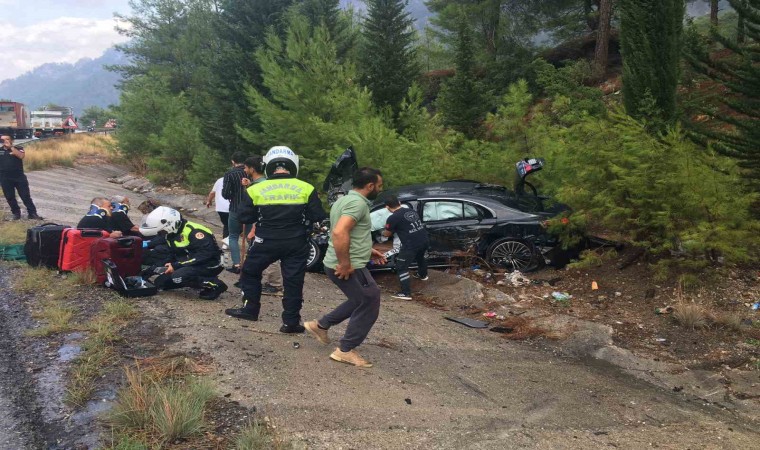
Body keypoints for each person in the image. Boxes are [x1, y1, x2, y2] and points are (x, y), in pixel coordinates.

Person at [225, 146, 327, 334]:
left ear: (267, 166)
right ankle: (290, 322)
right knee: (293, 281)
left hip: (266, 241)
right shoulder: (306, 187)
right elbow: (317, 215)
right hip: (296, 243)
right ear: (293, 165)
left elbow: (244, 217)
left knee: (250, 272)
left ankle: (250, 309)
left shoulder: (257, 189)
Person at [304, 167, 386, 368]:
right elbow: (340, 232)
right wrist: (345, 263)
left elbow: (351, 233)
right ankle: (345, 350)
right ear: (370, 185)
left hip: (340, 261)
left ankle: (320, 325)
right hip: (347, 265)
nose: (380, 189)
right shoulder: (357, 204)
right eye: (379, 185)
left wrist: (367, 250)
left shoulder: (343, 200)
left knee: (359, 299)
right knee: (370, 300)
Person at [139, 206, 227, 300]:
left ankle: (215, 284)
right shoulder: (171, 234)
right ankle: (195, 278)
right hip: (190, 259)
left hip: (211, 263)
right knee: (161, 283)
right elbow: (173, 254)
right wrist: (150, 271)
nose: (161, 234)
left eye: (162, 231)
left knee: (179, 276)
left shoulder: (195, 232)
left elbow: (205, 255)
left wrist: (177, 265)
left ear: (170, 224)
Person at [242, 155, 283, 296]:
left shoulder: (260, 185)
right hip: (269, 225)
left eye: (246, 167)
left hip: (264, 226)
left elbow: (260, 210)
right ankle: (267, 282)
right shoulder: (263, 183)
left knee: (268, 254)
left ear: (252, 169)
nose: (245, 170)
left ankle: (275, 285)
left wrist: (253, 228)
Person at [382, 195, 429, 300]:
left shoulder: (393, 218)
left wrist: (383, 232)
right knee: (420, 258)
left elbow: (387, 234)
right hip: (424, 240)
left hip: (411, 245)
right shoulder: (410, 211)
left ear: (387, 207)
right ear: (399, 202)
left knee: (401, 267)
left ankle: (405, 293)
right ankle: (423, 275)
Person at [0, 135, 42, 220]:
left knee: (25, 196)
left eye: (7, 139)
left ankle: (32, 213)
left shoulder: (18, 148)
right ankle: (16, 213)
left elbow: (21, 156)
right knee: (10, 197)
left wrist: (10, 147)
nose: (5, 141)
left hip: (19, 177)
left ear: (12, 140)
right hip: (5, 178)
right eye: (3, 140)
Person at [222, 152, 251, 274]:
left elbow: (225, 194)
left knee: (233, 236)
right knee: (250, 238)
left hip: (235, 209)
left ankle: (237, 263)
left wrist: (232, 195)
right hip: (250, 210)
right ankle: (249, 263)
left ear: (233, 161)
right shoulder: (250, 173)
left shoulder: (230, 174)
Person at [205, 177, 230, 247]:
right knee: (236, 225)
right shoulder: (239, 178)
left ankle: (226, 244)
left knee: (227, 225)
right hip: (231, 207)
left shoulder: (220, 180)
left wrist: (209, 201)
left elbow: (212, 193)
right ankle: (227, 240)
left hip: (220, 207)